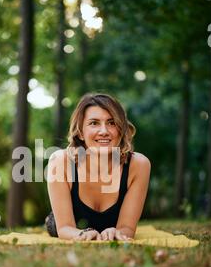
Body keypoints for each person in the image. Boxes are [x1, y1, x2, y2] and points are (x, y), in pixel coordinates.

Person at [45, 93, 151, 241]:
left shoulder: (139, 165)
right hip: (71, 226)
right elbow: (64, 228)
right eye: (94, 123)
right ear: (81, 133)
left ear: (121, 130)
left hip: (111, 227)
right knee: (54, 223)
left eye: (111, 123)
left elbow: (127, 228)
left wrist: (118, 233)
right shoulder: (60, 161)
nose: (104, 131)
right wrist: (82, 233)